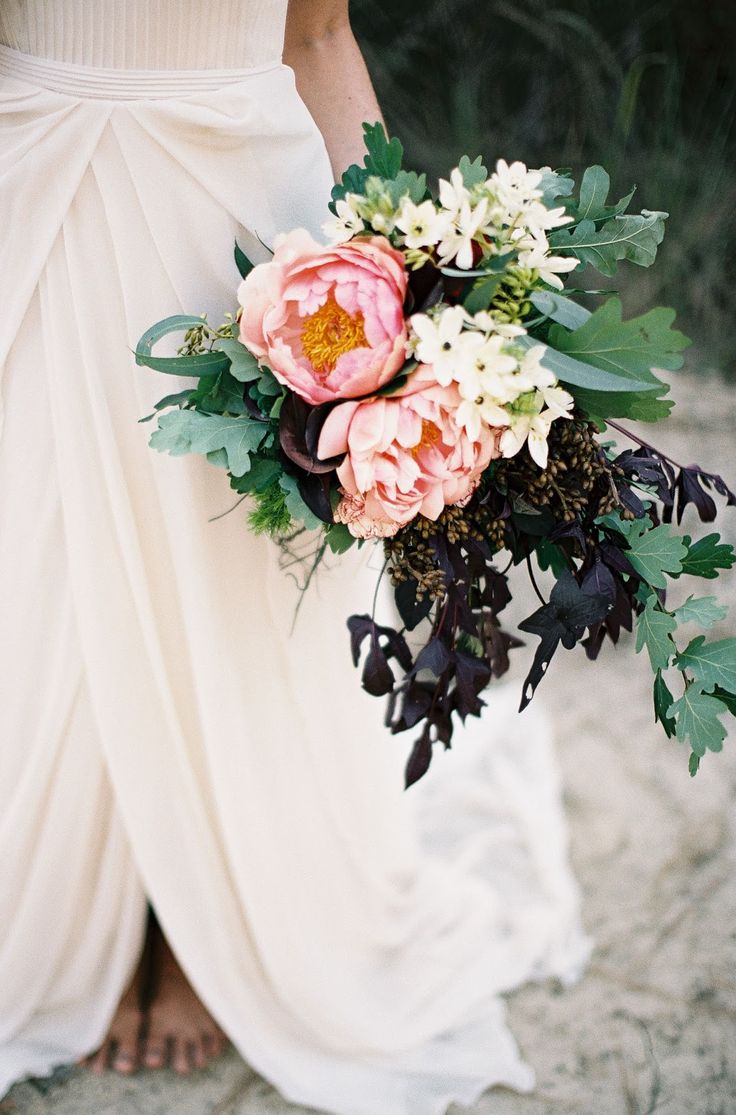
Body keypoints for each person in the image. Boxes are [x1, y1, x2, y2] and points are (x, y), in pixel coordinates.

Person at [0, 3, 590, 1112]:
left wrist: (411, 282)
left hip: (235, 216)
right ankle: (91, 904)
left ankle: (198, 923)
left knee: (234, 578)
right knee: (32, 571)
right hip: (24, 186)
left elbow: (316, 34)